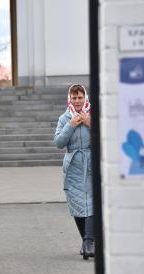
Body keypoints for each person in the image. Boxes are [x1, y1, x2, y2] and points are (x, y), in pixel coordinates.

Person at [54, 84, 93, 260]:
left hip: (92, 164)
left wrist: (90, 123)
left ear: (85, 98)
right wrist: (70, 125)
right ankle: (86, 241)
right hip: (73, 166)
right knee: (77, 205)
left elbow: (106, 135)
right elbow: (59, 142)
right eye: (74, 97)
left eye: (80, 97)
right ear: (69, 99)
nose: (77, 101)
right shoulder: (64, 118)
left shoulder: (93, 115)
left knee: (91, 203)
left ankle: (89, 242)